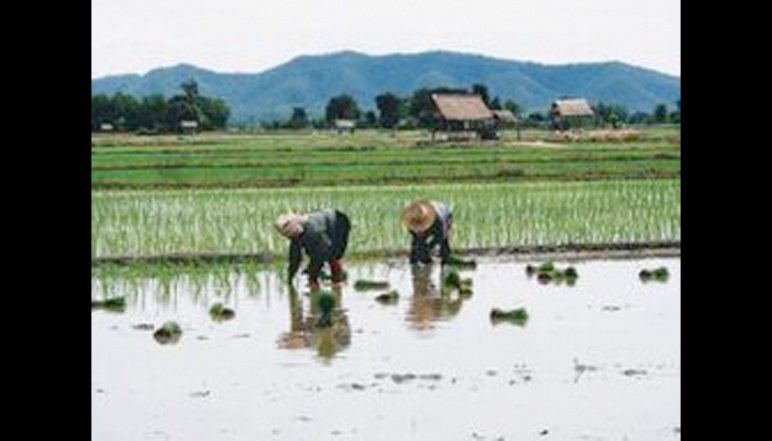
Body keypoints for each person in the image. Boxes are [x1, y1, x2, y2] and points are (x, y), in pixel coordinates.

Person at [275, 208, 351, 290]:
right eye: (286, 235)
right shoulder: (296, 233)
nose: (288, 237)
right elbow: (295, 258)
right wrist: (290, 278)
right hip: (324, 222)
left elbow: (322, 253)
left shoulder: (313, 231)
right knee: (315, 255)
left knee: (333, 256)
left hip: (339, 222)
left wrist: (312, 273)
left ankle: (336, 282)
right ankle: (316, 282)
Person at [402, 199, 453, 265]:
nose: (419, 229)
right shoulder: (411, 222)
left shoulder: (438, 221)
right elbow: (415, 241)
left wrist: (429, 247)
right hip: (432, 220)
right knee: (418, 245)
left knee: (444, 244)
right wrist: (413, 257)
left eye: (421, 225)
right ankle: (420, 260)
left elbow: (441, 236)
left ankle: (445, 261)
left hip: (445, 215)